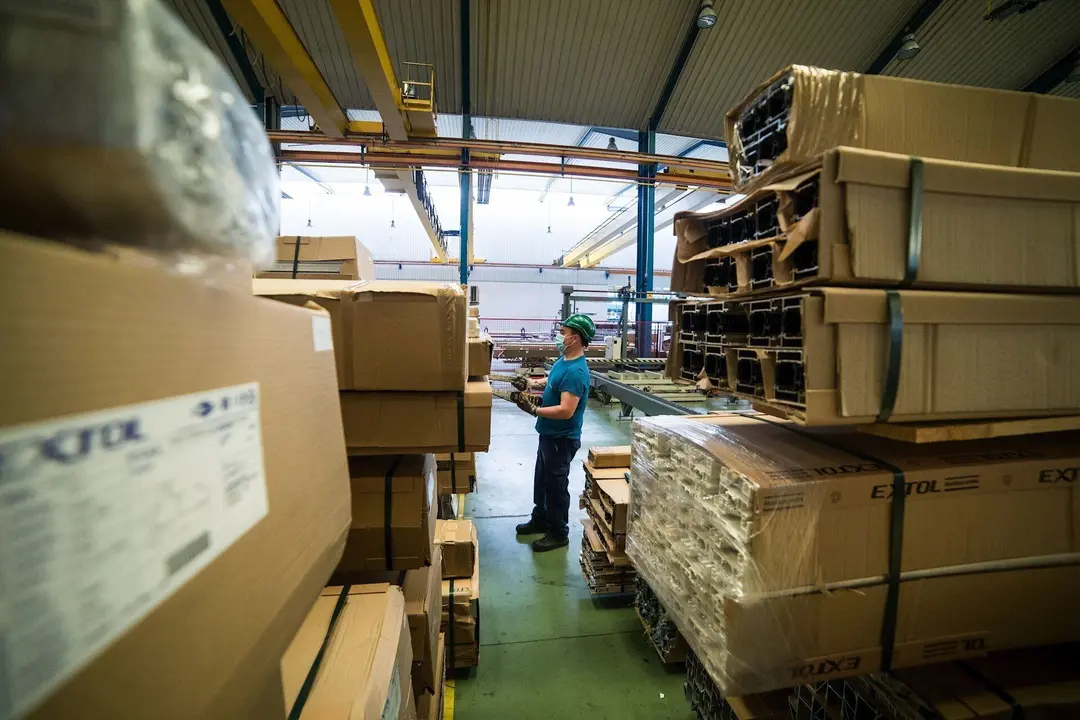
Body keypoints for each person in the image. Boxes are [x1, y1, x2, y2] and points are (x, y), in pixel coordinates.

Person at [513, 314, 596, 551]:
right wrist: (530, 383)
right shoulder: (565, 360)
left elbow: (566, 410)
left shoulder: (577, 372)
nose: (561, 336)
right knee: (542, 479)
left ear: (576, 338)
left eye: (565, 332)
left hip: (562, 439)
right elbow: (552, 380)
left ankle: (559, 532)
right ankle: (540, 519)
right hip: (548, 434)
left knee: (556, 486)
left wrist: (535, 409)